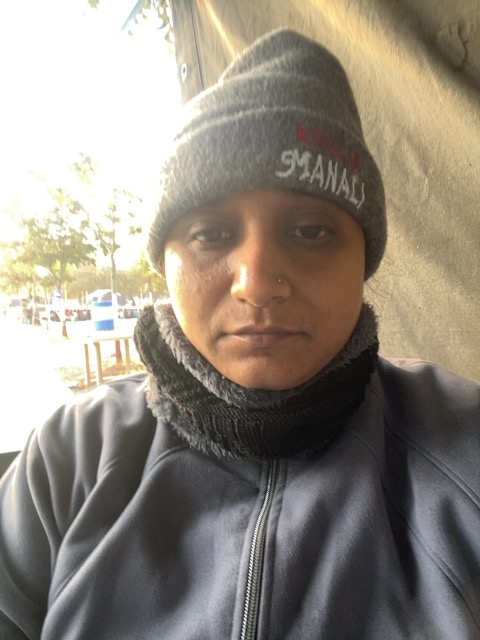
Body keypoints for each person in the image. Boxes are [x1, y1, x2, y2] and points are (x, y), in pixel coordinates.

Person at [0, 28, 479, 640]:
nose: (256, 284)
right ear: (164, 260)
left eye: (310, 231)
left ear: (365, 258)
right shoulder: (70, 457)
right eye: (209, 234)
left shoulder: (464, 445)